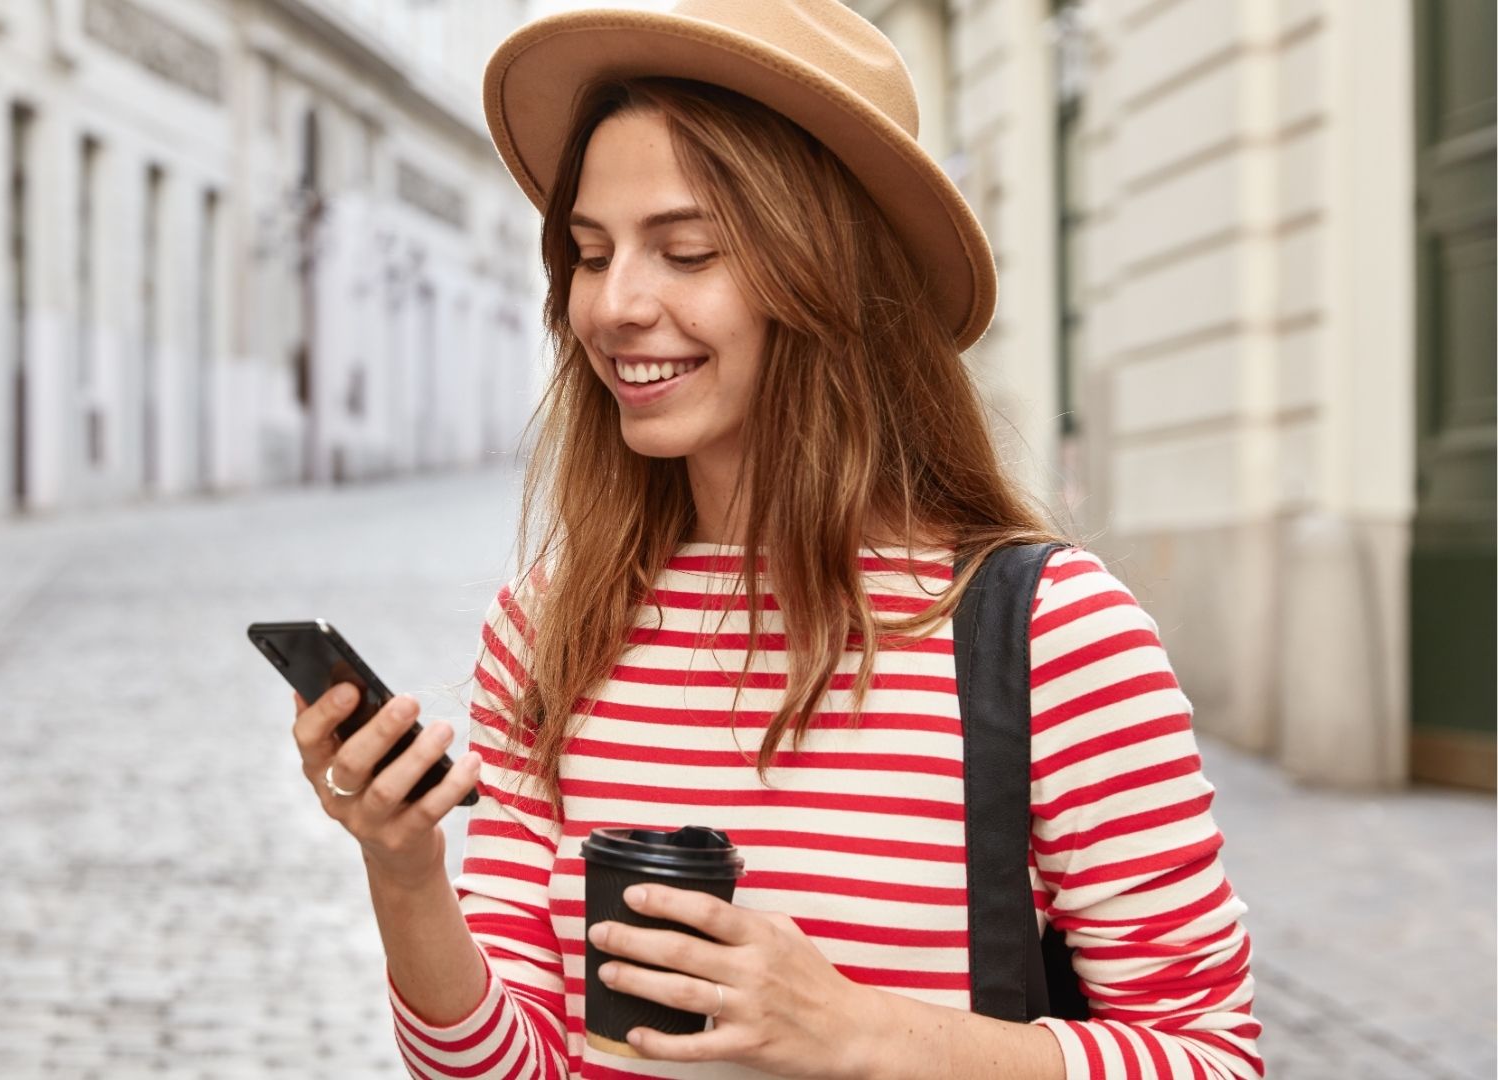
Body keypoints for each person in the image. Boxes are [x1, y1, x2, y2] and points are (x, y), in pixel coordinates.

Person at [288, 2, 1262, 1077]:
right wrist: (407, 872)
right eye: (590, 252)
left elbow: (1213, 1059)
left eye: (687, 250)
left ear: (828, 277)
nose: (611, 305)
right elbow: (506, 1068)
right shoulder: (545, 628)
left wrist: (862, 1034)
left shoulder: (1052, 637)